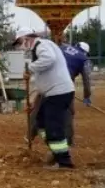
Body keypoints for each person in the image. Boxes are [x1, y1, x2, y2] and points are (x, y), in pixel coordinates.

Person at [17, 31, 76, 169]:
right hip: (53, 93)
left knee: (53, 128)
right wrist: (33, 101)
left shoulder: (41, 45)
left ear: (26, 38)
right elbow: (41, 83)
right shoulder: (39, 49)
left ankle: (64, 162)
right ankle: (56, 151)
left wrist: (30, 68)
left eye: (20, 42)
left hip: (58, 93)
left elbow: (49, 59)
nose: (20, 46)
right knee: (41, 123)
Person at [60, 40, 94, 145]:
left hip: (48, 79)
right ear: (85, 52)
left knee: (41, 106)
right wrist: (87, 96)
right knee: (68, 111)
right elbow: (86, 80)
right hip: (64, 84)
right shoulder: (83, 58)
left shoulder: (63, 47)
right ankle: (68, 140)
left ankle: (30, 134)